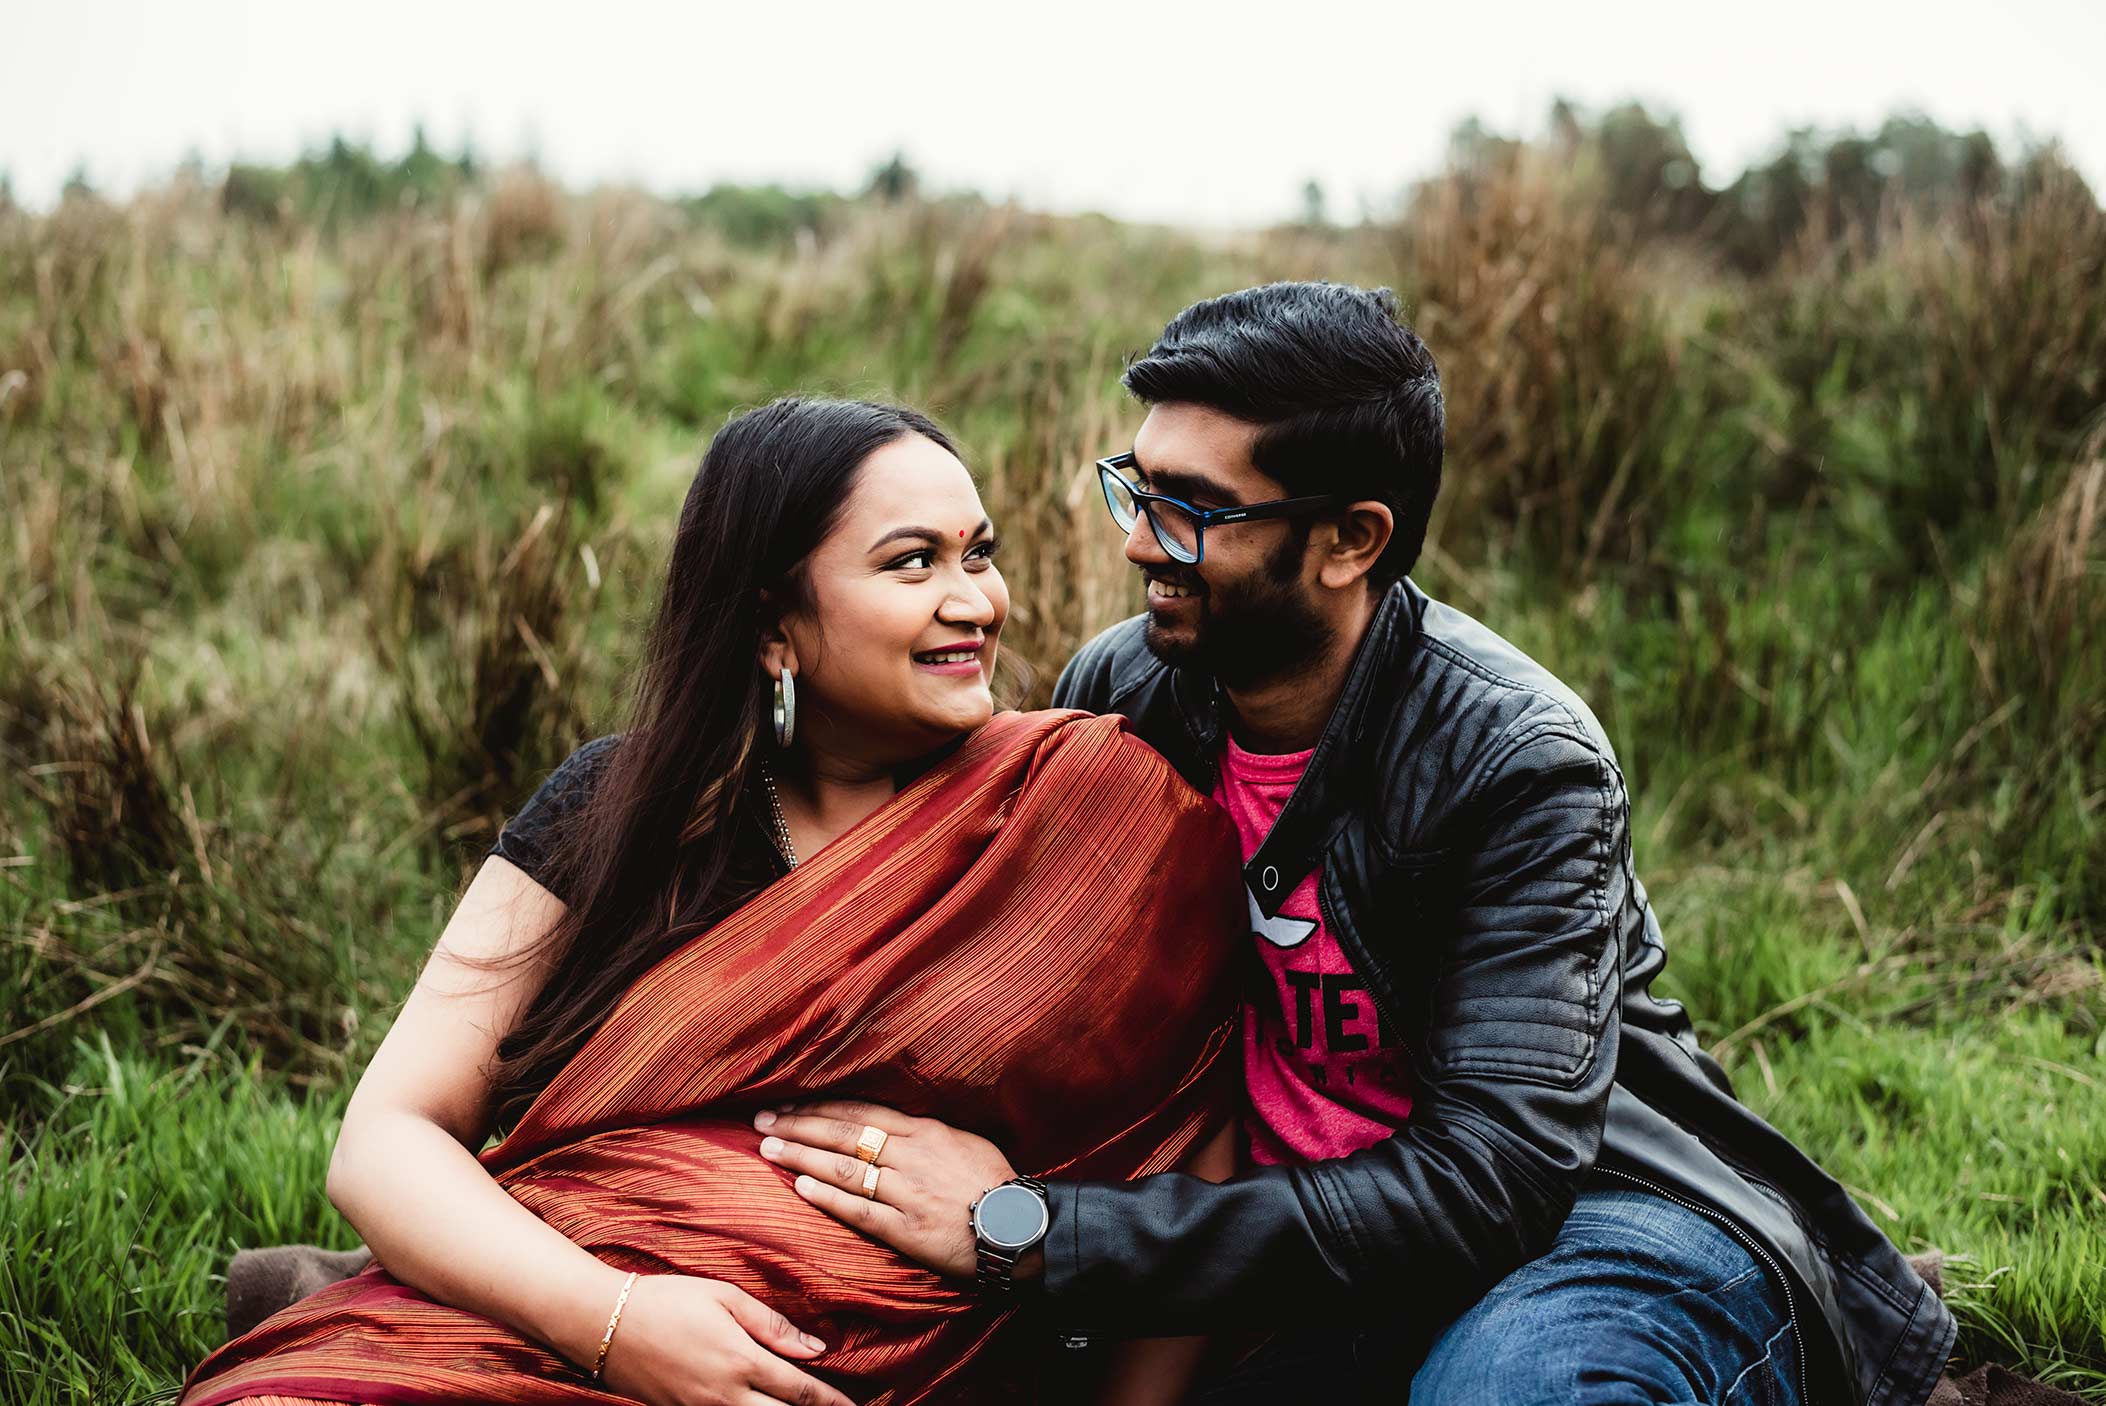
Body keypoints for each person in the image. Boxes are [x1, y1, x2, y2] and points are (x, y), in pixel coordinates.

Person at [760, 283, 1959, 1406]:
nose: (1138, 543)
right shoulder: (1127, 695)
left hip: (1590, 1218)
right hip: (1276, 1237)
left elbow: (1494, 1177)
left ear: (1350, 540)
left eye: (1193, 511)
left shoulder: (1521, 760)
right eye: (1138, 486)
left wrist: (1040, 1229)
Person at [178, 397, 1248, 1406]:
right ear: (773, 627)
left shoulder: (1077, 817)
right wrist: (620, 1320)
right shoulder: (627, 808)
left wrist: (1036, 1243)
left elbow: (1195, 1148)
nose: (976, 600)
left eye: (979, 553)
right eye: (912, 562)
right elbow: (387, 1139)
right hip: (562, 1321)